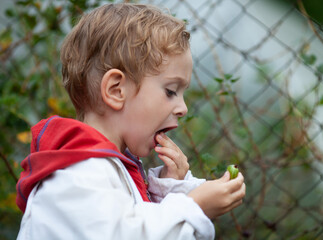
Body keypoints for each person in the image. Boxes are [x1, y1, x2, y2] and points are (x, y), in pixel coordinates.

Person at [16, 3, 246, 240]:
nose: (183, 108)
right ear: (116, 90)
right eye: (170, 91)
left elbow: (130, 222)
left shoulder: (108, 166)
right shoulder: (77, 172)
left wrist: (169, 191)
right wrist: (194, 206)